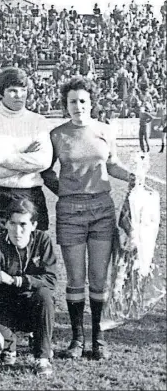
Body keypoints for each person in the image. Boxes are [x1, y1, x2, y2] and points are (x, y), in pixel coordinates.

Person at [42, 76, 134, 361]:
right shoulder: (57, 134)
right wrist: (65, 192)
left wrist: (133, 176)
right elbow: (47, 171)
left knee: (98, 277)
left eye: (83, 101)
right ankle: (76, 339)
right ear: (65, 105)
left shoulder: (105, 130)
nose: (78, 106)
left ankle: (98, 339)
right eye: (72, 101)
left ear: (91, 103)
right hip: (70, 212)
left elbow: (112, 164)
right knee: (75, 279)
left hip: (102, 209)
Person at [0, 67, 52, 247]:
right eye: (13, 90)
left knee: (32, 262)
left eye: (23, 90)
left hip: (30, 194)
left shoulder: (38, 122)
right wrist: (24, 164)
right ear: (1, 93)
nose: (19, 95)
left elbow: (43, 161)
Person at [0, 198, 57, 376]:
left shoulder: (43, 241)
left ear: (33, 225)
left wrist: (17, 281)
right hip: (7, 307)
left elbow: (51, 279)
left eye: (23, 224)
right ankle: (9, 344)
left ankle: (42, 357)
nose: (17, 230)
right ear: (5, 224)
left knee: (45, 296)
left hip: (33, 305)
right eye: (12, 223)